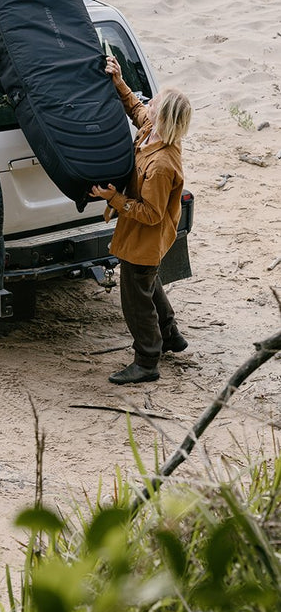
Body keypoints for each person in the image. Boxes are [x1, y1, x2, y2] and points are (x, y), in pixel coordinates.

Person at [91, 55, 192, 384]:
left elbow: (151, 214)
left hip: (145, 236)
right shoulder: (152, 130)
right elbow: (136, 108)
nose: (149, 103)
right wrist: (118, 80)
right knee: (147, 284)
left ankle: (147, 361)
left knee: (135, 299)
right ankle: (170, 335)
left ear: (163, 116)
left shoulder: (163, 164)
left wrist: (114, 199)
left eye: (156, 102)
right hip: (141, 236)